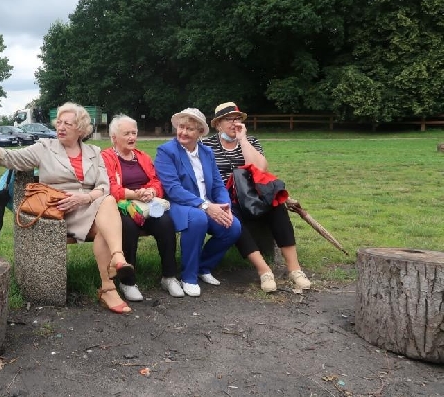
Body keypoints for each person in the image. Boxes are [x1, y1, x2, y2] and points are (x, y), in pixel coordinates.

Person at [0, 102, 136, 314]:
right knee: (107, 210)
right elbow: (10, 158)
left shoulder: (94, 151)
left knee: (106, 208)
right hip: (60, 210)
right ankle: (116, 264)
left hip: (89, 206)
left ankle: (109, 284)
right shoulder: (45, 148)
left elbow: (104, 186)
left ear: (80, 129)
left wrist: (84, 198)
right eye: (59, 122)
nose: (61, 127)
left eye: (67, 124)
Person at [203, 102, 311, 292]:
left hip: (252, 194)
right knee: (233, 218)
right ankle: (264, 270)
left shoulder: (251, 141)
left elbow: (261, 168)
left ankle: (295, 269)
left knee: (277, 207)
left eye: (237, 119)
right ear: (218, 124)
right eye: (229, 119)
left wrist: (243, 140)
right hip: (224, 197)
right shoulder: (207, 145)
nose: (234, 123)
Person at [154, 108, 242, 297]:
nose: (183, 132)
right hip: (178, 205)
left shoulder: (207, 152)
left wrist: (225, 206)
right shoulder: (166, 151)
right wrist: (205, 206)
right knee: (197, 219)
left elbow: (218, 185)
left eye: (190, 129)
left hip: (207, 205)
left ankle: (203, 267)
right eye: (181, 127)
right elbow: (173, 189)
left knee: (233, 226)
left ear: (200, 132)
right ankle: (189, 276)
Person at [101, 115, 185, 300]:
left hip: (146, 204)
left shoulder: (142, 156)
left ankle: (169, 277)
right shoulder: (106, 157)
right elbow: (109, 187)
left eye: (134, 133)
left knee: (165, 223)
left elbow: (156, 181)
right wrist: (135, 194)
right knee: (128, 227)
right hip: (121, 206)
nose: (132, 137)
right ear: (114, 137)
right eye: (126, 134)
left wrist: (151, 192)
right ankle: (128, 282)